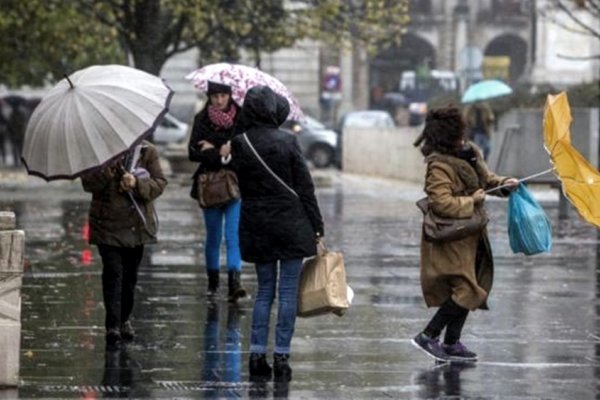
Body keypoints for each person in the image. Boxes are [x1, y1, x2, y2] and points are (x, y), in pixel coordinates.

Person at [221, 85, 324, 382]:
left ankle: (255, 356)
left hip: (257, 225)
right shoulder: (288, 141)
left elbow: (231, 166)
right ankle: (281, 357)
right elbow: (305, 188)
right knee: (288, 292)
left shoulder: (239, 143)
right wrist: (317, 228)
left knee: (264, 291)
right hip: (291, 224)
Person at [411, 105, 518, 362]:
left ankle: (451, 342)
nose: (463, 134)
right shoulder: (439, 166)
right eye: (459, 130)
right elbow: (441, 203)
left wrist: (505, 184)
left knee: (471, 284)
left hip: (471, 232)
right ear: (448, 135)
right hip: (451, 235)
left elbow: (487, 179)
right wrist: (471, 200)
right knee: (467, 289)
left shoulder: (470, 152)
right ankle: (427, 335)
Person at [81, 140, 167, 348]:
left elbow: (159, 183)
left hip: (135, 226)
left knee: (129, 277)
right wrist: (109, 169)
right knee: (113, 273)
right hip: (107, 225)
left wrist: (136, 184)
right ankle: (112, 325)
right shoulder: (97, 152)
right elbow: (88, 184)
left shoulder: (147, 151)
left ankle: (124, 319)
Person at [188, 81, 246, 302]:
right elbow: (193, 152)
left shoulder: (241, 119)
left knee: (233, 236)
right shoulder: (201, 119)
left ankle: (235, 284)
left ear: (230, 96)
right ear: (209, 97)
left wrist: (218, 149)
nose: (219, 100)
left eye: (223, 96)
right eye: (214, 96)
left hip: (234, 186)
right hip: (209, 186)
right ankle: (213, 283)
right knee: (214, 236)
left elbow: (244, 152)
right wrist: (218, 152)